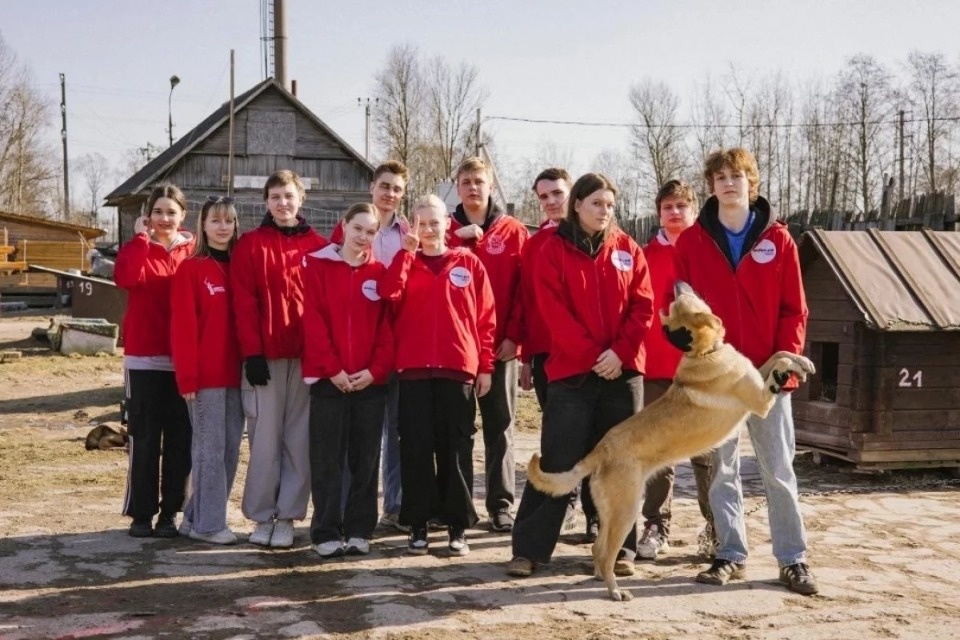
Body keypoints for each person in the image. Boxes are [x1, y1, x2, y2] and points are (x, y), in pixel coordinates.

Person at [672, 148, 817, 595]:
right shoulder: (690, 244)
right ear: (711, 186)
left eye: (737, 176)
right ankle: (729, 554)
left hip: (767, 377)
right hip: (718, 378)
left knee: (777, 469)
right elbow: (679, 312)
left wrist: (787, 359)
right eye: (719, 177)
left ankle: (793, 559)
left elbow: (794, 310)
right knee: (722, 470)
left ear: (751, 182)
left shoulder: (780, 240)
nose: (728, 183)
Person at [508, 173, 654, 578]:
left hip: (622, 375)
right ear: (577, 205)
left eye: (610, 205)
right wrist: (594, 356)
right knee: (559, 461)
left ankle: (618, 548)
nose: (604, 212)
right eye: (596, 204)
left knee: (621, 464)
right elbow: (553, 311)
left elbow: (643, 307)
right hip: (572, 372)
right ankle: (529, 550)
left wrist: (619, 354)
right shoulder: (552, 250)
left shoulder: (629, 249)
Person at [380, 194, 496, 557]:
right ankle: (417, 524)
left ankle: (457, 525)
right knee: (415, 449)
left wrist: (485, 366)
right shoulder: (406, 263)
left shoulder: (469, 262)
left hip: (457, 369)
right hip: (413, 371)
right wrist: (405, 255)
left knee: (456, 449)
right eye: (422, 223)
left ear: (448, 223)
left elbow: (485, 319)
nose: (429, 230)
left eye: (435, 222)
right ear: (412, 225)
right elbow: (388, 296)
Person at [231, 170, 327, 548]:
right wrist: (252, 351)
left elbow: (324, 306)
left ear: (300, 198)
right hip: (265, 359)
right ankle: (261, 515)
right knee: (264, 439)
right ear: (266, 202)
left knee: (297, 439)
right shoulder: (251, 245)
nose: (283, 203)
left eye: (288, 196)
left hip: (305, 359)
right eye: (275, 197)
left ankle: (288, 515)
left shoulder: (319, 247)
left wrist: (321, 356)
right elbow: (243, 301)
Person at [302, 203, 394, 558]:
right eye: (358, 229)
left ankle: (359, 529)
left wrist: (374, 371)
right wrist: (333, 370)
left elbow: (388, 331)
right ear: (344, 226)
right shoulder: (318, 265)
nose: (363, 237)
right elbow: (314, 320)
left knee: (365, 460)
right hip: (330, 381)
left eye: (371, 232)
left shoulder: (380, 271)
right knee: (327, 459)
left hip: (370, 383)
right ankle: (325, 529)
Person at [635, 180, 715, 561]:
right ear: (658, 212)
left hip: (701, 367)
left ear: (694, 209)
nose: (674, 212)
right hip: (655, 366)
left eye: (682, 205)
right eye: (667, 206)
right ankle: (656, 524)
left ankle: (716, 524)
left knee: (706, 450)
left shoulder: (710, 252)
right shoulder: (644, 255)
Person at [449, 156, 527, 532]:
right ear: (457, 186)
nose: (473, 187)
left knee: (501, 427)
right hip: (458, 351)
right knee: (458, 429)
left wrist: (514, 337)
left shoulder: (512, 231)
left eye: (479, 181)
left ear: (491, 185)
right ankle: (459, 505)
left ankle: (500, 504)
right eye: (466, 181)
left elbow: (523, 292)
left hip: (500, 349)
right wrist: (455, 241)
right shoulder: (445, 229)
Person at [331, 161, 410, 533]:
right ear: (371, 187)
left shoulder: (408, 232)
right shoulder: (348, 227)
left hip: (398, 341)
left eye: (396, 188)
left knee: (396, 429)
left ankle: (394, 506)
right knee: (356, 434)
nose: (389, 193)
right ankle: (351, 505)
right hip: (356, 343)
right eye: (384, 186)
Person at [114, 184, 195, 538]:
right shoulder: (138, 248)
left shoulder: (193, 251)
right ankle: (141, 514)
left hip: (183, 361)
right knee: (145, 439)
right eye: (158, 212)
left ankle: (170, 514)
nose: (164, 219)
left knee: (180, 441)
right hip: (144, 360)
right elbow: (125, 279)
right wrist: (141, 241)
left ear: (182, 216)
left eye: (171, 212)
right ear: (148, 216)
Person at [518, 167, 594, 539]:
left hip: (592, 355)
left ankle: (598, 511)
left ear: (573, 195)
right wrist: (526, 356)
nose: (550, 202)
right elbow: (529, 304)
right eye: (543, 197)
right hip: (549, 355)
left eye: (557, 194)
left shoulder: (596, 237)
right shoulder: (534, 245)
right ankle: (567, 502)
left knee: (597, 436)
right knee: (558, 437)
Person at [170, 196, 244, 545]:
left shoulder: (240, 268)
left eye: (228, 220)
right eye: (216, 220)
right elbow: (183, 328)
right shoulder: (192, 269)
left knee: (229, 451)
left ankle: (194, 518)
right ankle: (210, 526)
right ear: (202, 224)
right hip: (205, 378)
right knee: (209, 450)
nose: (222, 227)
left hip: (237, 376)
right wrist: (188, 377)